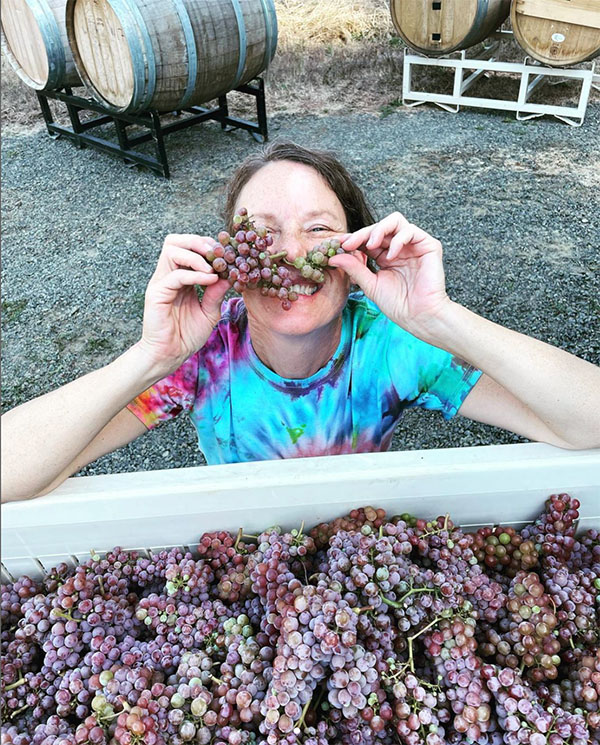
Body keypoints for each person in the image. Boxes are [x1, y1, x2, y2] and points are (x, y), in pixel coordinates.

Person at [2, 142, 599, 503]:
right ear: (230, 260)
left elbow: (587, 423)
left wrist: (440, 317)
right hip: (246, 568)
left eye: (318, 230)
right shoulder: (205, 356)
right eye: (261, 235)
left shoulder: (390, 347)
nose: (290, 256)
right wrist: (150, 356)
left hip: (356, 560)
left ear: (361, 252)